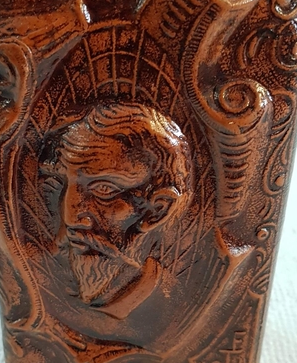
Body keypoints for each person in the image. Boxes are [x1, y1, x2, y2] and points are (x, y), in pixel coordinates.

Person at [40, 101, 192, 319]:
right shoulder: (46, 299)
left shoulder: (174, 311)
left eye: (103, 190)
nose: (70, 218)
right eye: (60, 183)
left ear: (158, 210)